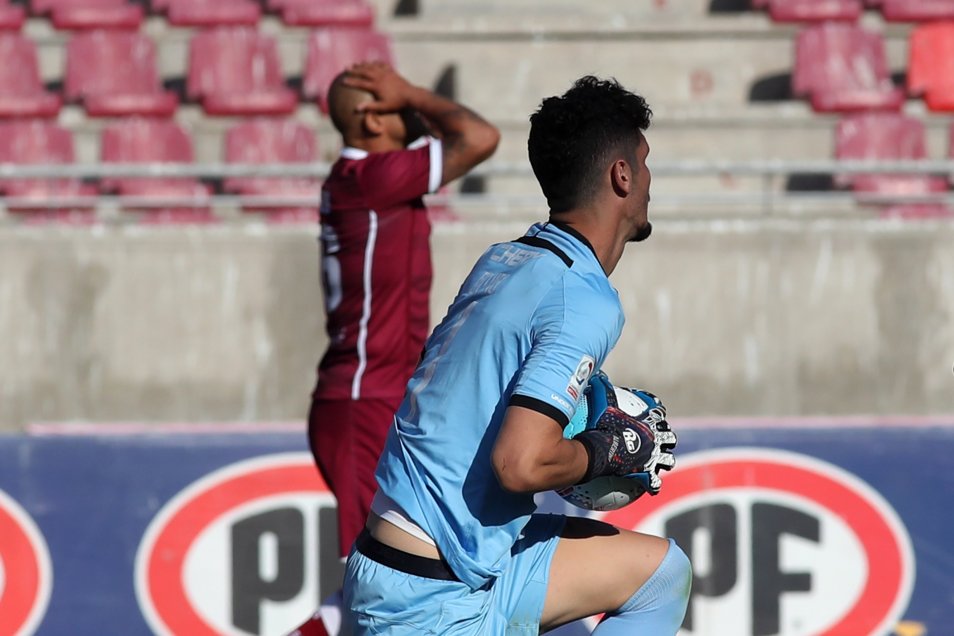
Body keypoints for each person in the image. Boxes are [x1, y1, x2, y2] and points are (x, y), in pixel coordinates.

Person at [342, 75, 692, 635]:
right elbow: (521, 464)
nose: (649, 179)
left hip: (428, 563)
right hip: (429, 604)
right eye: (644, 162)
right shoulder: (583, 300)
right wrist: (609, 449)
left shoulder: (505, 258)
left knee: (661, 572)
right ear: (621, 175)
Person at [290, 62, 499, 636]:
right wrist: (412, 92)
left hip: (382, 397)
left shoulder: (367, 179)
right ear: (369, 116)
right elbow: (480, 138)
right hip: (363, 402)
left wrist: (403, 95)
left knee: (389, 580)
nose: (411, 109)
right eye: (393, 99)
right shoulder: (371, 178)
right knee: (373, 584)